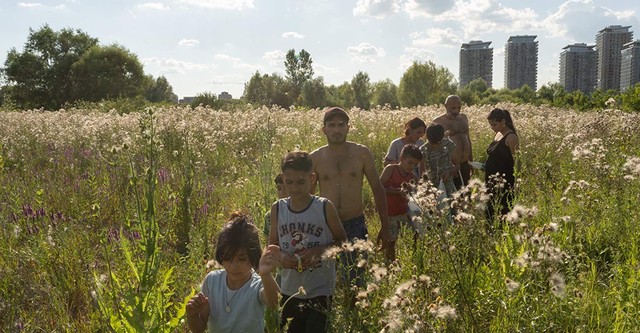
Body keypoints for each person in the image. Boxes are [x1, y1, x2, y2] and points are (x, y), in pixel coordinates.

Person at [310, 107, 392, 287]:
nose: (337, 130)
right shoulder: (315, 157)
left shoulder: (361, 153)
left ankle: (353, 312)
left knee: (355, 281)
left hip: (355, 224)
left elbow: (377, 188)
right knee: (326, 281)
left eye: (341, 125)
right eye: (331, 125)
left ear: (348, 128)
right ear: (324, 129)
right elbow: (308, 198)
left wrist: (385, 226)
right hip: (326, 226)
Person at [269, 151, 347, 332]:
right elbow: (271, 246)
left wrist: (320, 251)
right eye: (289, 182)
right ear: (282, 178)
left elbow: (343, 241)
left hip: (320, 290)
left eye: (301, 182)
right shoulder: (278, 209)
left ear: (312, 178)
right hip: (289, 290)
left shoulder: (324, 207)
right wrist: (281, 256)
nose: (295, 188)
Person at [186, 213, 280, 333]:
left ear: (253, 256)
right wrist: (192, 315)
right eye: (228, 258)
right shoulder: (212, 281)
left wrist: (266, 274)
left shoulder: (258, 285)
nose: (234, 266)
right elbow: (199, 328)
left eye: (242, 259)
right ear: (220, 256)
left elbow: (275, 303)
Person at [379, 144, 422, 262]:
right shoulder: (391, 169)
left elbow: (415, 192)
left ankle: (414, 261)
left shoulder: (412, 176)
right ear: (401, 158)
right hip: (390, 212)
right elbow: (379, 187)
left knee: (414, 235)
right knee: (391, 241)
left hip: (404, 212)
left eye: (415, 164)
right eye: (410, 163)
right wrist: (396, 192)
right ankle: (390, 264)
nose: (412, 166)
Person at [484, 108, 519, 223]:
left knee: (503, 208)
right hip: (491, 179)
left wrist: (517, 180)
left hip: (505, 180)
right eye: (491, 125)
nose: (492, 128)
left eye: (494, 124)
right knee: (491, 207)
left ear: (503, 121)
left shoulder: (511, 137)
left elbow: (517, 160)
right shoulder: (498, 134)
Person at [433, 95, 473, 189]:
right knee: (454, 196)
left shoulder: (463, 118)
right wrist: (449, 166)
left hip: (465, 163)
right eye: (453, 108)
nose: (456, 111)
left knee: (467, 194)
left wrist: (471, 160)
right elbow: (435, 147)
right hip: (451, 167)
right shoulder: (438, 122)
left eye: (459, 107)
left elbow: (468, 138)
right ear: (445, 106)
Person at [420, 124, 457, 200]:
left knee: (450, 206)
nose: (435, 146)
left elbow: (457, 165)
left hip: (447, 184)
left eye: (438, 143)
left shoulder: (449, 145)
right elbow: (422, 172)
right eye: (432, 143)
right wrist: (425, 186)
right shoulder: (423, 149)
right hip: (431, 185)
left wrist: (449, 171)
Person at [263, 174, 287, 238]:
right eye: (279, 189)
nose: (282, 193)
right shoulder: (270, 215)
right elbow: (268, 243)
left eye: (286, 188)